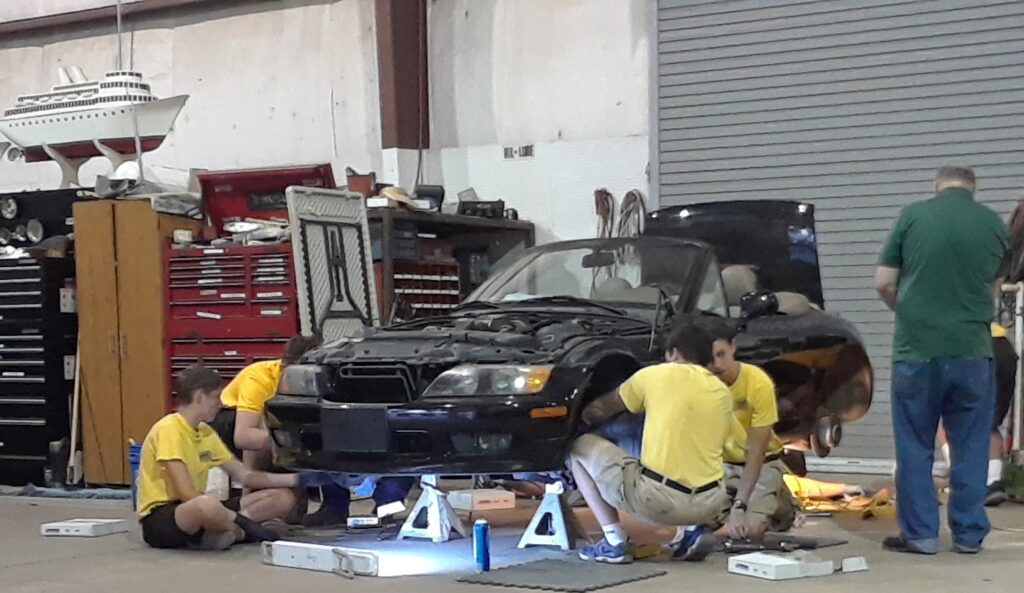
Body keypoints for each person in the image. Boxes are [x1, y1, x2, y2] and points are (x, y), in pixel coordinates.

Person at [875, 165, 1009, 555]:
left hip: (917, 350)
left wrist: (907, 311)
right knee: (971, 443)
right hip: (972, 350)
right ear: (973, 188)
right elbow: (995, 288)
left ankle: (921, 535)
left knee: (916, 443)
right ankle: (968, 536)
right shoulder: (993, 224)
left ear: (936, 186)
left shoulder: (913, 215)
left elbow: (883, 281)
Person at [569, 323, 733, 564]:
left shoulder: (655, 375)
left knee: (577, 447)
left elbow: (601, 408)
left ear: (673, 354)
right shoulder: (722, 391)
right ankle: (693, 531)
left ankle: (614, 543)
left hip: (657, 502)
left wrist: (580, 418)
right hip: (711, 503)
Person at [209, 335, 413, 527]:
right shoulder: (259, 378)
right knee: (269, 424)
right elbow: (243, 436)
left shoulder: (329, 380)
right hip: (232, 428)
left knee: (291, 509)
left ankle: (376, 505)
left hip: (280, 442)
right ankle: (250, 499)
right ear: (284, 368)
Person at [137, 365, 322, 549]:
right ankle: (238, 533)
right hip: (166, 516)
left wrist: (300, 479)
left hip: (202, 504)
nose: (221, 404)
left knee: (283, 498)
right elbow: (187, 494)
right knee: (205, 505)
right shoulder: (169, 429)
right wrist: (241, 521)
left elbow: (245, 476)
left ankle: (219, 532)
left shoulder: (206, 432)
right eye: (216, 397)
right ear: (199, 397)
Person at [672, 317, 795, 551]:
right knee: (697, 514)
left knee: (751, 529)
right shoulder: (700, 385)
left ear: (733, 348)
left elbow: (756, 450)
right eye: (711, 358)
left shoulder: (757, 382)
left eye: (722, 354)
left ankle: (780, 505)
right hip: (722, 466)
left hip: (761, 462)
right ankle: (725, 518)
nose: (717, 364)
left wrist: (740, 507)